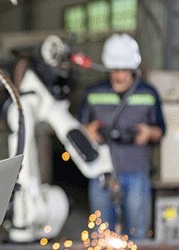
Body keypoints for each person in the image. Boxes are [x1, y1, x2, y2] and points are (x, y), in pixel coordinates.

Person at [78, 33, 165, 239]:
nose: (120, 75)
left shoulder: (148, 93)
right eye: (115, 69)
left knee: (137, 233)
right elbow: (77, 130)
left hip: (137, 173)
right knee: (101, 234)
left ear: (133, 68)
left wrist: (148, 132)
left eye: (125, 69)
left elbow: (161, 130)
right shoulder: (92, 93)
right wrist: (87, 131)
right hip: (101, 173)